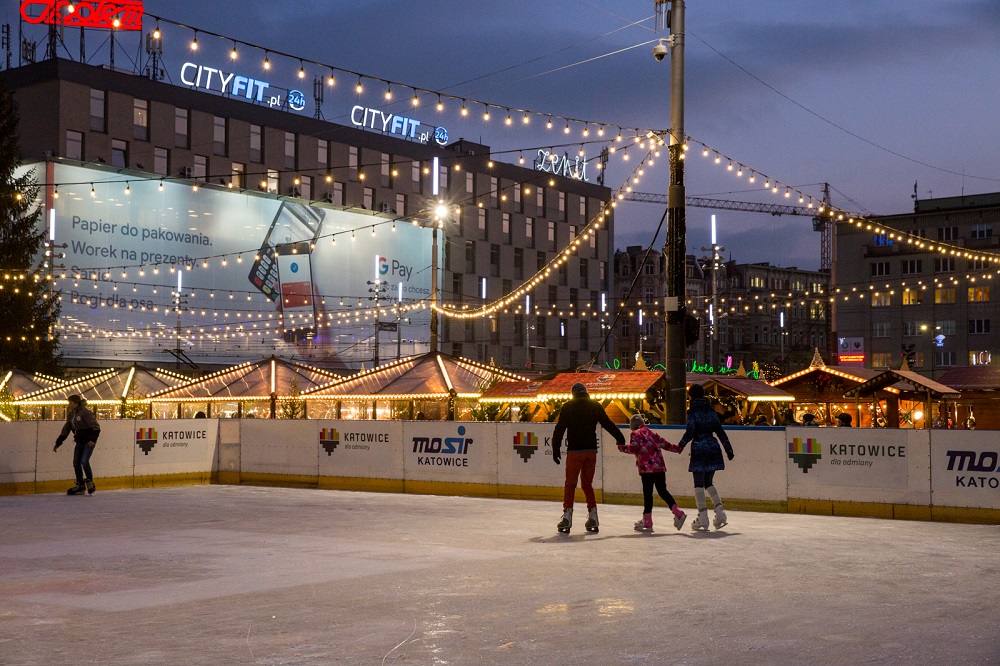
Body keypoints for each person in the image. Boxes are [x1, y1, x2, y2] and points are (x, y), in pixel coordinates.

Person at [552, 382, 626, 534]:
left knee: (570, 484)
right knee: (587, 484)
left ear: (573, 394)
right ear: (586, 392)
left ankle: (567, 517)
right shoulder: (595, 405)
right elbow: (607, 423)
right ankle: (593, 516)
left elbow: (560, 428)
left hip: (575, 451)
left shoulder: (568, 406)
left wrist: (555, 448)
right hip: (591, 451)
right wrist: (620, 438)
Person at [677, 383, 735, 531]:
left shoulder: (692, 411)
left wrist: (681, 445)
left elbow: (691, 431)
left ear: (690, 396)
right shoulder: (711, 411)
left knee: (698, 483)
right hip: (713, 447)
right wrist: (728, 449)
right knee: (708, 482)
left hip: (700, 448)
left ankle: (702, 516)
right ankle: (720, 512)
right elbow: (720, 432)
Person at [618, 414, 687, 532]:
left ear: (633, 426)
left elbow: (633, 448)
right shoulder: (652, 433)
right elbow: (666, 444)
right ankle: (678, 513)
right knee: (663, 491)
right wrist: (678, 449)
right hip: (659, 467)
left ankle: (647, 521)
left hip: (646, 469)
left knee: (648, 494)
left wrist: (621, 447)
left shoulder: (635, 434)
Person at [53, 394, 101, 495]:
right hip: (79, 441)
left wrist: (93, 439)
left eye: (71, 403)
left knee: (84, 461)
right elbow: (67, 428)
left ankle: (90, 482)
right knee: (76, 463)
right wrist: (59, 442)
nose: (69, 405)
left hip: (89, 441)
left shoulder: (85, 413)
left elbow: (96, 426)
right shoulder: (71, 415)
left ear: (76, 403)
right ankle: (80, 485)